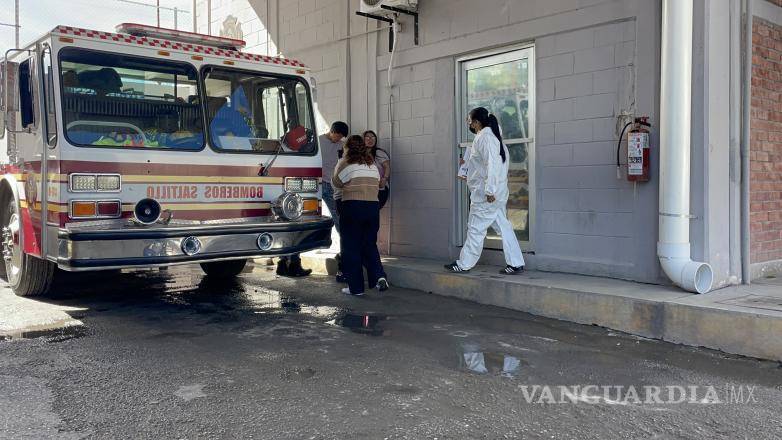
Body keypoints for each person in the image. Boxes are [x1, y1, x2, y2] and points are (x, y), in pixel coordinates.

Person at [444, 107, 525, 275]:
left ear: (477, 123)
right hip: (495, 194)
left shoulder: (486, 138)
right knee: (503, 227)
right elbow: (484, 166)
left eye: (469, 121)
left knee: (475, 228)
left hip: (487, 195)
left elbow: (493, 166)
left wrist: (489, 191)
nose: (468, 124)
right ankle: (516, 262)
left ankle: (464, 264)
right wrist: (467, 168)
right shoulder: (493, 137)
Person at [276, 121, 349, 278]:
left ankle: (345, 259)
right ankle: (288, 262)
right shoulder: (316, 142)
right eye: (339, 135)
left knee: (340, 221)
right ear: (332, 131)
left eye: (342, 137)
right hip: (311, 185)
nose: (340, 139)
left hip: (331, 186)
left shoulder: (343, 145)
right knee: (299, 223)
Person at [333, 135, 389, 296]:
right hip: (372, 207)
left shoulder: (345, 162)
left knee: (351, 247)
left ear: (348, 148)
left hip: (353, 206)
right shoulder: (372, 165)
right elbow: (378, 183)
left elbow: (336, 182)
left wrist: (341, 161)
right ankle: (379, 276)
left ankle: (356, 288)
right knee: (369, 244)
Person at [363, 130, 391, 209]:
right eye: (367, 138)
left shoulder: (379, 152)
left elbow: (387, 167)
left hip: (379, 188)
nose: (370, 140)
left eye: (373, 137)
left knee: (373, 211)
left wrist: (384, 179)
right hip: (365, 189)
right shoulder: (360, 154)